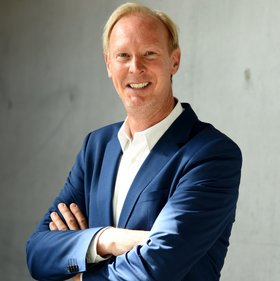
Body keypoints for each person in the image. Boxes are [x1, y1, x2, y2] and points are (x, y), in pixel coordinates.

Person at [26, 2, 242, 281]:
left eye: (149, 53)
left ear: (174, 60)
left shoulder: (212, 154)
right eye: (123, 55)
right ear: (108, 64)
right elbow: (37, 253)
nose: (135, 67)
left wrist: (78, 271)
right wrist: (108, 240)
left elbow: (155, 269)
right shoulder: (97, 147)